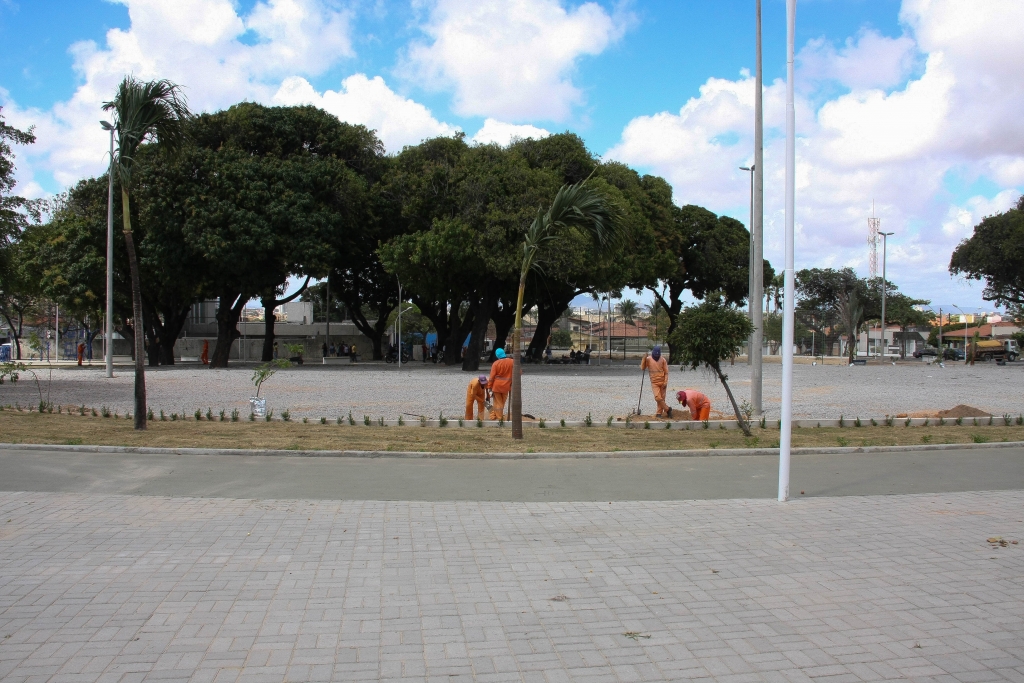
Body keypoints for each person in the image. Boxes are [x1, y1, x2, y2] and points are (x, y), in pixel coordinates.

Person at [641, 345, 670, 417]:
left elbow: (666, 372)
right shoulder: (648, 359)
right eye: (655, 355)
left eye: (658, 355)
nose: (656, 357)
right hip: (654, 382)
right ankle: (668, 409)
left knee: (662, 398)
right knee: (658, 397)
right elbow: (643, 368)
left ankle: (659, 413)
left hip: (663, 382)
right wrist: (644, 359)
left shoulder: (663, 360)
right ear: (652, 353)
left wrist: (665, 382)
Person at [488, 348, 514, 420]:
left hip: (497, 387)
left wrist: (489, 387)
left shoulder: (496, 363)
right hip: (507, 386)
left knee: (498, 403)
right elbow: (519, 372)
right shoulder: (512, 362)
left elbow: (492, 377)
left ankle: (498, 418)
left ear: (497, 355)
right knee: (502, 403)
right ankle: (495, 416)